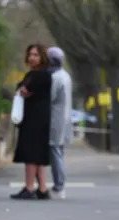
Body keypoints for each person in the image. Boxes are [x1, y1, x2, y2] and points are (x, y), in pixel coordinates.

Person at [10, 44, 52, 200]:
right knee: (39, 155)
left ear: (42, 57)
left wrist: (21, 88)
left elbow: (24, 91)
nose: (32, 58)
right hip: (37, 117)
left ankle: (29, 187)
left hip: (35, 118)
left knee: (31, 154)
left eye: (36, 55)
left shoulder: (40, 75)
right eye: (30, 54)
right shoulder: (37, 74)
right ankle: (42, 188)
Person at [47, 47, 72, 199]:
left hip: (56, 118)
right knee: (59, 151)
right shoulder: (66, 76)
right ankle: (59, 183)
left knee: (55, 150)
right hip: (65, 117)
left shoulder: (56, 78)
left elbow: (50, 97)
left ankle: (59, 184)